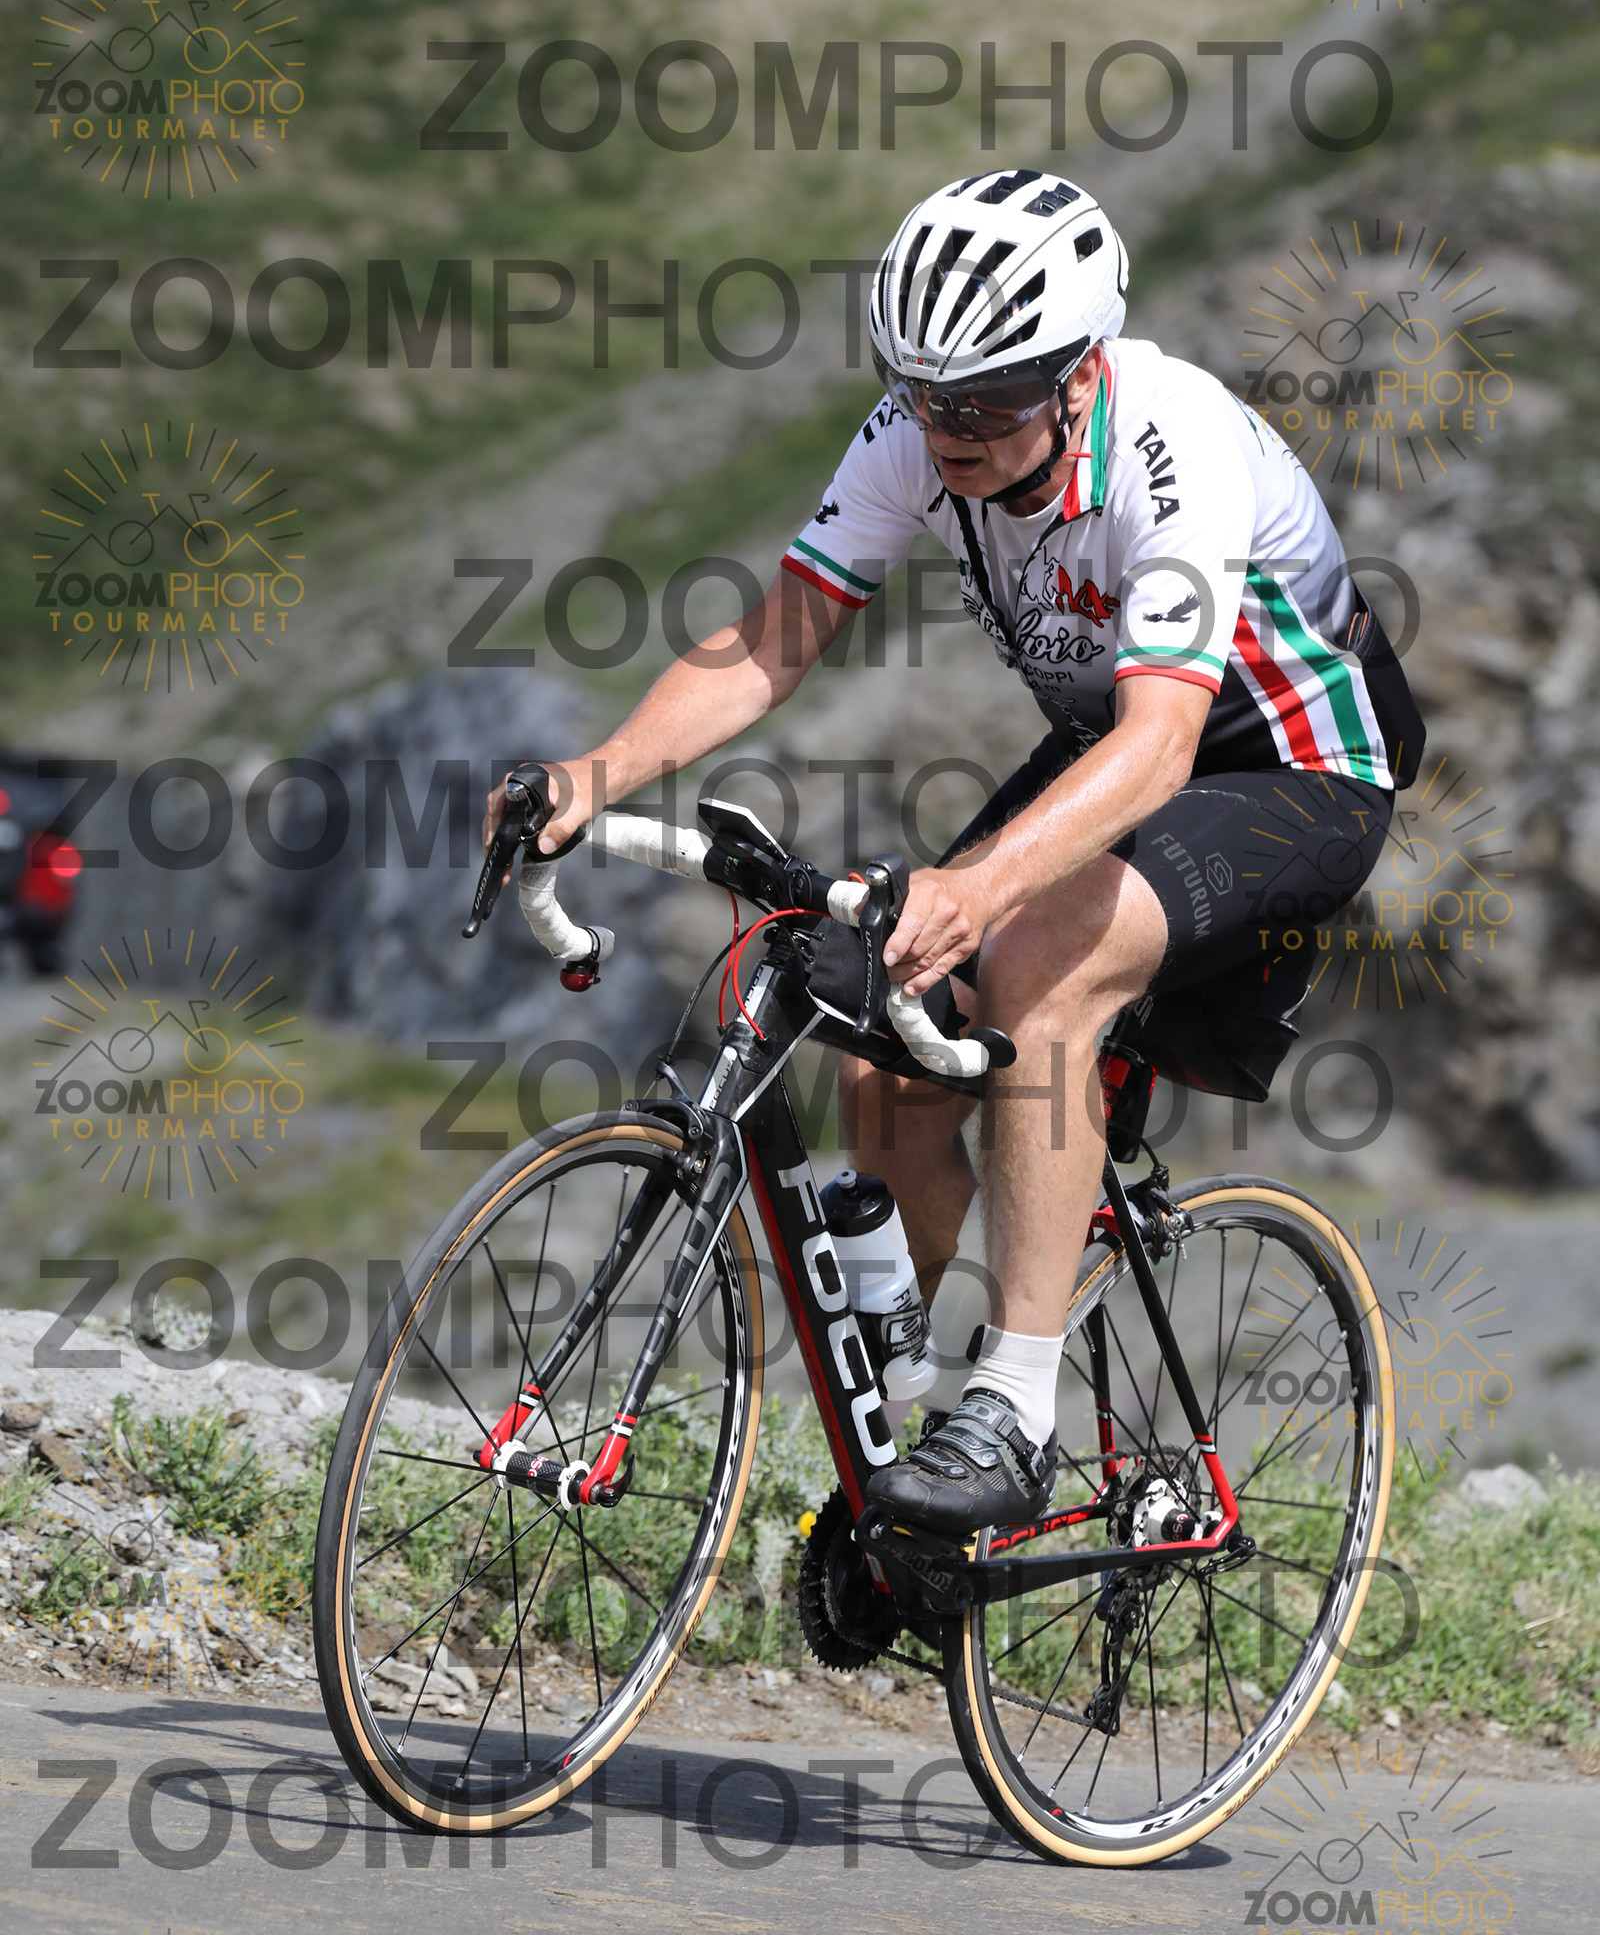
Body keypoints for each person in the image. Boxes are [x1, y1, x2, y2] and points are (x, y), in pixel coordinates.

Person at [483, 168, 1422, 1541]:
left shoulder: (1174, 445)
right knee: (890, 1044)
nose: (948, 430)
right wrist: (595, 772)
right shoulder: (916, 433)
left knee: (1037, 960)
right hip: (1119, 741)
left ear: (1080, 374)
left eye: (984, 403)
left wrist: (980, 890)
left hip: (1289, 766)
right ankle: (898, 1455)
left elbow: (1162, 747)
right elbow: (778, 633)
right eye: (924, 397)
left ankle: (1016, 1409)